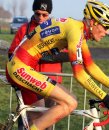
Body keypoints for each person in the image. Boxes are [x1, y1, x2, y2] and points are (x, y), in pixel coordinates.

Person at [6, 1, 109, 129]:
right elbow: (79, 74)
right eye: (106, 27)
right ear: (94, 22)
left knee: (71, 98)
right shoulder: (75, 31)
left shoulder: (78, 30)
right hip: (20, 67)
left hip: (25, 67)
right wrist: (105, 97)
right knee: (69, 103)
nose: (107, 32)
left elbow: (90, 66)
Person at [8, 0, 68, 129]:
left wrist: (41, 56)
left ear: (50, 14)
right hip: (30, 83)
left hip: (52, 83)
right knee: (30, 120)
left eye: (44, 15)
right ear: (33, 11)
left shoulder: (58, 29)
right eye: (37, 13)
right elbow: (12, 52)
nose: (40, 17)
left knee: (47, 123)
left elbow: (69, 53)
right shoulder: (24, 29)